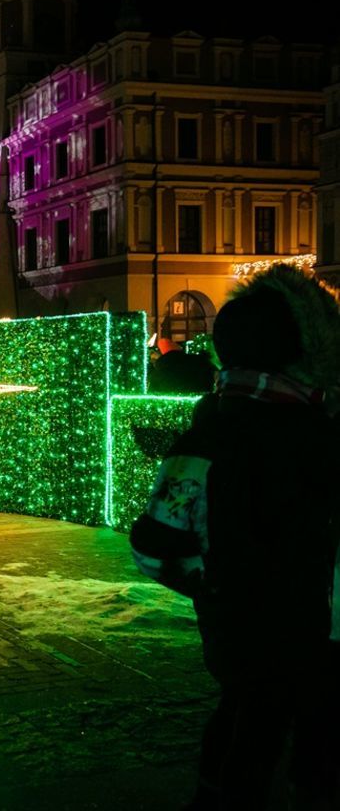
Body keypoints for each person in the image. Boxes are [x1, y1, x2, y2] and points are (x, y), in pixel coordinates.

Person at [131, 266, 340, 810]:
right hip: (313, 631)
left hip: (233, 632)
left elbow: (155, 544)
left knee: (240, 726)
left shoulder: (209, 428)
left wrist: (216, 586)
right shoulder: (318, 433)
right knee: (305, 738)